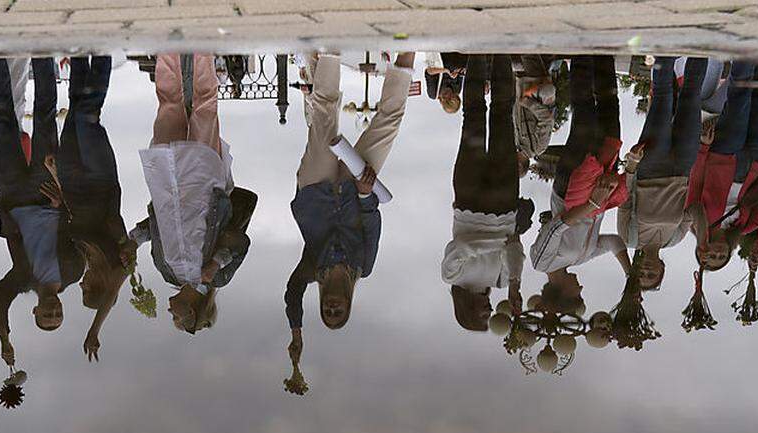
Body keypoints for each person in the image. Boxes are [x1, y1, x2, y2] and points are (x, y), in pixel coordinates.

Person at [285, 51, 415, 361]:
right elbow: (372, 225)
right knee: (388, 124)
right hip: (355, 190)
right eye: (337, 312)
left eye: (327, 312)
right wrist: (366, 194)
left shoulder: (311, 270)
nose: (332, 307)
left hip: (314, 191)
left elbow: (292, 294)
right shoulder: (362, 267)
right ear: (347, 305)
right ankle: (407, 54)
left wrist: (296, 334)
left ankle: (331, 49)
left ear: (321, 304)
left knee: (324, 119)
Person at [130, 53, 258, 335]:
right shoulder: (218, 278)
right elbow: (241, 241)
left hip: (167, 183)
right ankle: (202, 51)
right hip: (203, 183)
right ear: (190, 312)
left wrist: (133, 240)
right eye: (175, 318)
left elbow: (157, 227)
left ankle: (168, 50)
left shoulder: (166, 271)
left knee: (168, 105)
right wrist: (214, 263)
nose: (168, 312)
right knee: (204, 107)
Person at [0, 57, 85, 366]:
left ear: (36, 311)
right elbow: (80, 230)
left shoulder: (22, 280)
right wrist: (63, 199)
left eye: (47, 315)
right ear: (62, 309)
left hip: (13, 194)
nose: (52, 311)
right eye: (57, 315)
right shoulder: (73, 271)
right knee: (45, 118)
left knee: (3, 120)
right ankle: (43, 55)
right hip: (47, 193)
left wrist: (4, 337)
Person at [441, 55, 531, 331]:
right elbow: (516, 247)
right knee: (503, 115)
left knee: (474, 117)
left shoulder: (451, 275)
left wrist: (498, 243)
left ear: (467, 311)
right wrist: (515, 285)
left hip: (469, 198)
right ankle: (502, 52)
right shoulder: (503, 281)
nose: (490, 311)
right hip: (503, 200)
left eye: (483, 316)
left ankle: (478, 54)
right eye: (491, 316)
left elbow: (463, 247)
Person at [57, 56, 134, 359]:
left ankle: (78, 51)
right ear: (100, 288)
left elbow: (67, 213)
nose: (81, 285)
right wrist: (93, 331)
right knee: (88, 116)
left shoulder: (81, 254)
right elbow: (111, 298)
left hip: (70, 176)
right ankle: (101, 53)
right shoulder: (118, 266)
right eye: (87, 290)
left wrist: (55, 176)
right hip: (99, 176)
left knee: (75, 104)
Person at [529, 56, 630, 278]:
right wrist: (629, 275)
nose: (581, 288)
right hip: (601, 186)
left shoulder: (541, 263)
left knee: (584, 116)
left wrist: (594, 201)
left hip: (572, 189)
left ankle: (582, 54)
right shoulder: (582, 258)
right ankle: (604, 56)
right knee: (610, 112)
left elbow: (556, 227)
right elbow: (614, 242)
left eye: (577, 296)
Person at [617, 56, 708, 291]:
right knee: (691, 96)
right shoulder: (674, 239)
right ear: (661, 270)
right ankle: (701, 46)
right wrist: (702, 239)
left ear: (636, 268)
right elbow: (696, 209)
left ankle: (664, 50)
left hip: (650, 168)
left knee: (662, 98)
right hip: (682, 168)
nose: (647, 270)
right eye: (652, 274)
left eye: (643, 274)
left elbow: (625, 200)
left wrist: (632, 164)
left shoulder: (630, 238)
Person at [687, 62, 758, 275]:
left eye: (709, 255)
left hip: (723, 155)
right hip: (754, 163)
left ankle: (745, 56)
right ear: (728, 254)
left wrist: (703, 148)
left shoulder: (695, 222)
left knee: (740, 99)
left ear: (701, 249)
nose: (717, 252)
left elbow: (696, 181)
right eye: (721, 257)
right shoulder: (743, 226)